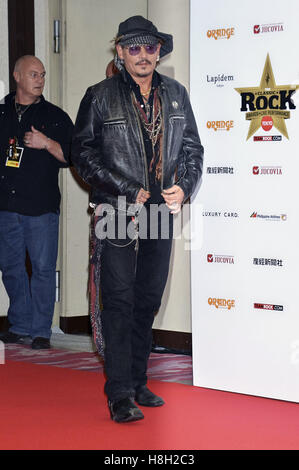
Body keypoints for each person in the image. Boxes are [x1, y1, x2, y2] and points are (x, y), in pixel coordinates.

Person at [72, 16, 203, 423]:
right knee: (119, 300)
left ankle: (139, 380)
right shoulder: (100, 95)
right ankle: (119, 392)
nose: (142, 55)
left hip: (161, 212)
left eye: (150, 47)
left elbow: (193, 150)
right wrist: (125, 187)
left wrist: (185, 186)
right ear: (120, 52)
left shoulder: (177, 95)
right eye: (133, 47)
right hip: (118, 211)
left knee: (147, 299)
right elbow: (83, 154)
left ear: (159, 52)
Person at [0, 55, 73, 350]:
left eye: (42, 74)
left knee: (43, 268)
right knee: (11, 267)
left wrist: (47, 143)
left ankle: (41, 329)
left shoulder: (55, 116)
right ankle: (19, 324)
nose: (40, 79)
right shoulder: (2, 114)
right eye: (33, 74)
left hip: (41, 207)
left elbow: (73, 156)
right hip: (6, 206)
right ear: (17, 76)